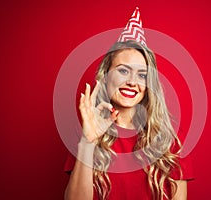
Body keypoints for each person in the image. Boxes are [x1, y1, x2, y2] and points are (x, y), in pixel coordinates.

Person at [64, 8, 194, 200]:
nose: (133, 81)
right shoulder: (86, 132)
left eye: (142, 74)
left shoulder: (170, 139)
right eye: (123, 71)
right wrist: (87, 143)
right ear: (106, 76)